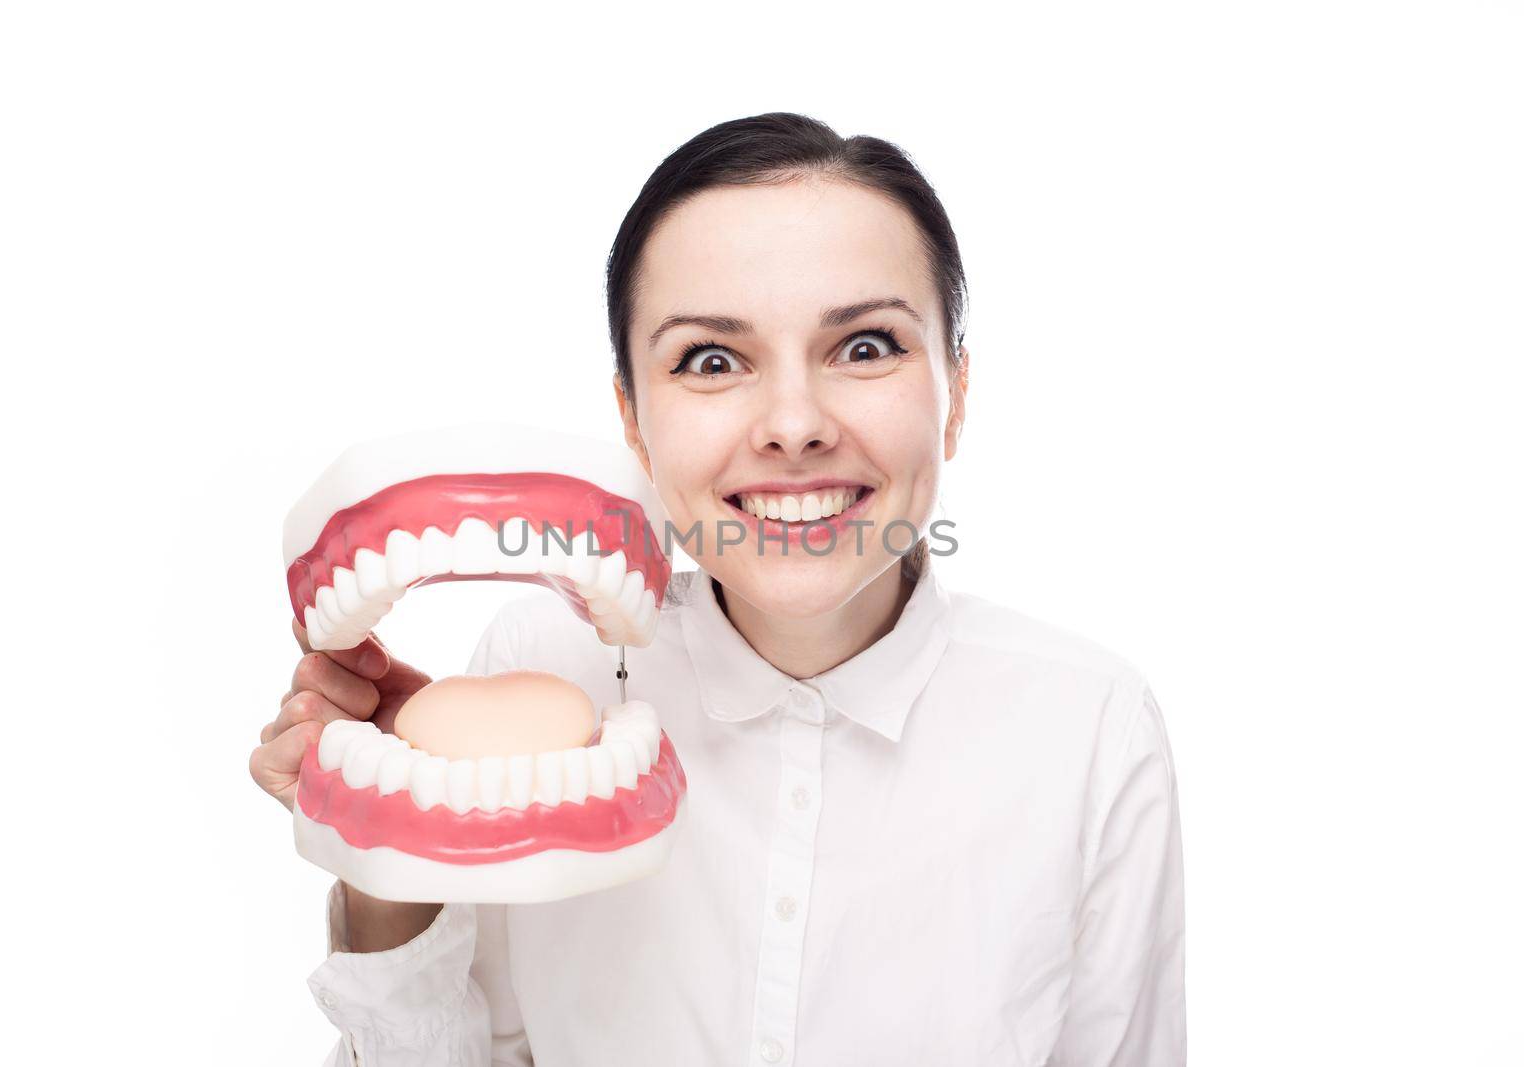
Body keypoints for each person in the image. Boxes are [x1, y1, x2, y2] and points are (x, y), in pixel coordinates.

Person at [251, 112, 1186, 1066]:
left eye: (865, 347)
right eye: (711, 359)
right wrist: (393, 852)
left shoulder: (1091, 731)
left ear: (957, 393)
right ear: (634, 419)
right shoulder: (541, 673)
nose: (793, 423)